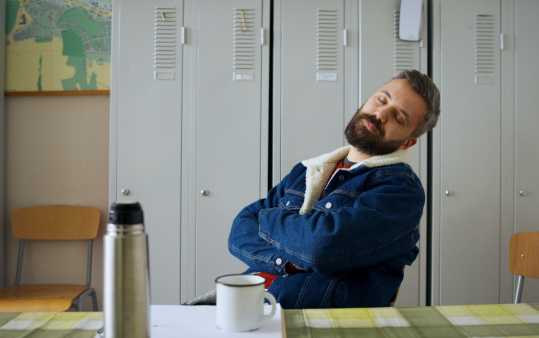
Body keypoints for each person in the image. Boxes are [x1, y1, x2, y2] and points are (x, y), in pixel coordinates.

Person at [185, 69, 440, 309]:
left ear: (408, 142)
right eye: (381, 100)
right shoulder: (307, 172)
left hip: (305, 317)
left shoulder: (399, 191)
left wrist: (267, 218)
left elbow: (319, 247)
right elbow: (239, 232)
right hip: (243, 303)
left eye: (398, 117)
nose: (381, 114)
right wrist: (289, 261)